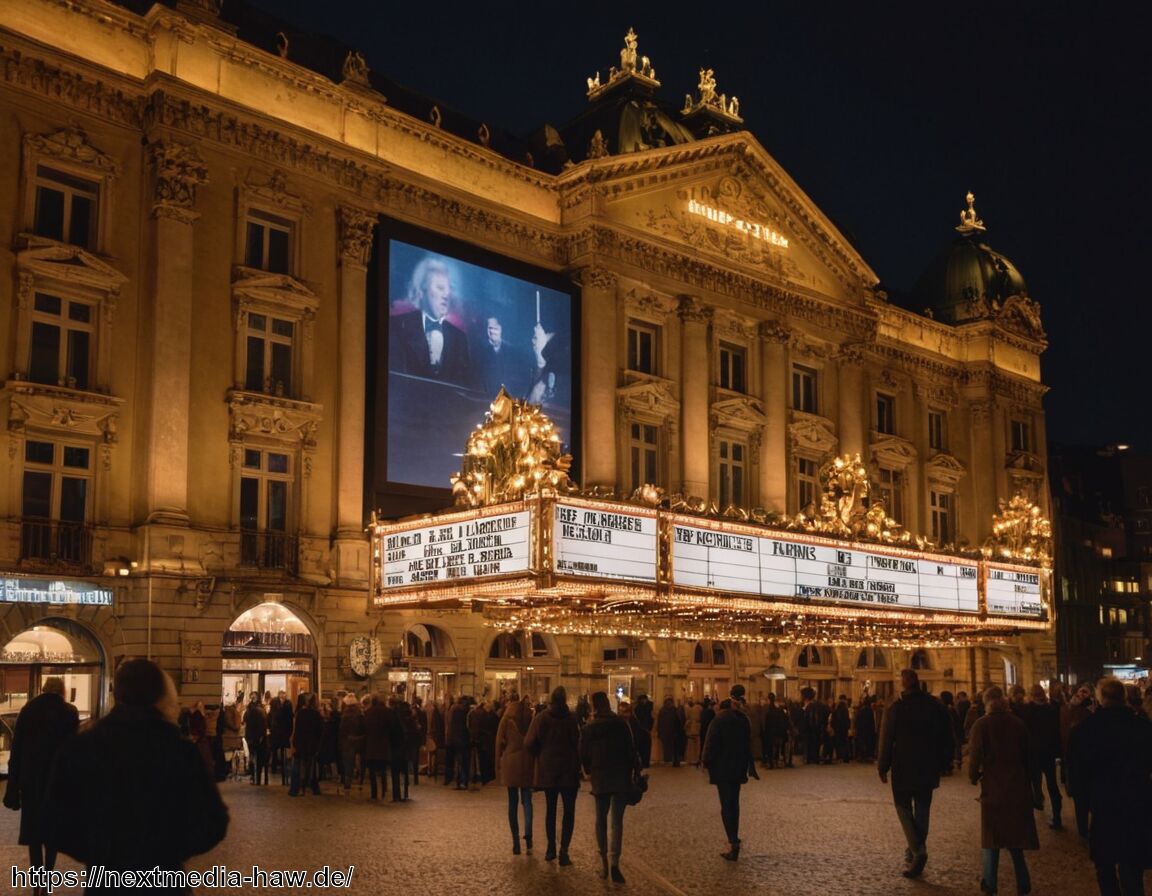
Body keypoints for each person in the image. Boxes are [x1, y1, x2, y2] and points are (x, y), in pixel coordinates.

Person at [43, 658, 228, 892]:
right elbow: (213, 822)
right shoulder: (180, 751)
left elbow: (55, 823)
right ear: (161, 697)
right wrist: (168, 851)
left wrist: (101, 854)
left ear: (117, 694)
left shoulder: (81, 747)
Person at [1067, 677, 1152, 896]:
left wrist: (1082, 797)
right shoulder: (1143, 727)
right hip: (1136, 800)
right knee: (1132, 864)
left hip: (1104, 803)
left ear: (1101, 698)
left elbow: (1078, 773)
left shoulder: (1087, 729)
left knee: (1105, 863)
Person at [877, 668, 953, 879]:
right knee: (922, 809)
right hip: (928, 766)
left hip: (903, 765)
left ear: (904, 683)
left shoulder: (896, 707)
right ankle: (914, 849)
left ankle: (919, 851)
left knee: (902, 808)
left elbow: (886, 739)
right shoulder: (935, 706)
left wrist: (882, 767)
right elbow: (948, 735)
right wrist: (946, 762)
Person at [3, 676, 79, 879]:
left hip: (32, 780)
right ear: (62, 690)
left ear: (43, 688)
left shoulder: (28, 710)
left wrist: (14, 782)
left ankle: (38, 880)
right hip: (58, 781)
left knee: (34, 831)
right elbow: (74, 749)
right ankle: (48, 875)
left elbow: (17, 749)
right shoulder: (69, 712)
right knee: (52, 830)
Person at [968, 685, 1038, 895]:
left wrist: (973, 777)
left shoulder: (982, 725)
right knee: (1015, 838)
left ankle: (990, 882)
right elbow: (1029, 757)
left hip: (993, 787)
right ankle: (1023, 882)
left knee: (991, 839)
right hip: (1017, 786)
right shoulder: (1018, 724)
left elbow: (974, 757)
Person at [580, 691, 641, 883]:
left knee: (601, 820)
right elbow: (631, 750)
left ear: (594, 706)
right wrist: (633, 772)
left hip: (600, 777)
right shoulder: (621, 724)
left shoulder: (590, 727)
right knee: (617, 822)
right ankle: (615, 863)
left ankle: (603, 863)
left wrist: (589, 770)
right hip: (620, 777)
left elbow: (583, 754)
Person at [390, 256, 471, 383]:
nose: (447, 295)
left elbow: (465, 384)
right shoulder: (397, 325)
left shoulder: (459, 338)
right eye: (440, 288)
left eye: (449, 289)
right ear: (422, 291)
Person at [524, 686, 581, 866]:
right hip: (569, 770)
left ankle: (551, 849)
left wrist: (540, 753)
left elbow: (528, 743)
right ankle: (564, 851)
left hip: (548, 769)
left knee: (551, 810)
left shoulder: (541, 718)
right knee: (569, 812)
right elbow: (577, 744)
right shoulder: (572, 719)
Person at [701, 685, 755, 861]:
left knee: (726, 806)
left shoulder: (718, 720)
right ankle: (735, 837)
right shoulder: (743, 720)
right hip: (738, 768)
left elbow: (710, 744)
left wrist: (706, 763)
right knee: (735, 803)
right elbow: (748, 744)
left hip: (722, 770)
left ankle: (733, 842)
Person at [495, 695, 536, 855]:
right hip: (526, 762)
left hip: (511, 763)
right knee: (527, 802)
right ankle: (529, 837)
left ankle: (516, 842)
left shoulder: (505, 720)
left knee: (513, 803)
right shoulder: (530, 719)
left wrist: (497, 767)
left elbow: (498, 743)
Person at [1021, 684, 1063, 830]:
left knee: (1035, 782)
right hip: (1049, 752)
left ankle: (1037, 803)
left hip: (1033, 752)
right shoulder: (1052, 709)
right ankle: (1056, 817)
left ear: (1031, 695)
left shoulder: (1026, 710)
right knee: (1052, 785)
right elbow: (1057, 731)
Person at [476, 315, 524, 398]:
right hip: (485, 399)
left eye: (495, 328)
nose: (492, 331)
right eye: (490, 328)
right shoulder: (479, 350)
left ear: (501, 328)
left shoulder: (513, 351)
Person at [288, 693, 322, 797]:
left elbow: (297, 730)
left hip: (300, 743)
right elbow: (319, 732)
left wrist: (294, 743)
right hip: (311, 744)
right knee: (311, 768)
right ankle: (313, 788)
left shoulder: (300, 714)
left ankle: (295, 789)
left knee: (297, 767)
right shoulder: (316, 714)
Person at [242, 692, 269, 785]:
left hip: (254, 735)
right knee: (256, 757)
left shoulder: (252, 709)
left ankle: (255, 777)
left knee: (255, 757)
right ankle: (256, 777)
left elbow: (245, 720)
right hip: (255, 736)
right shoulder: (258, 709)